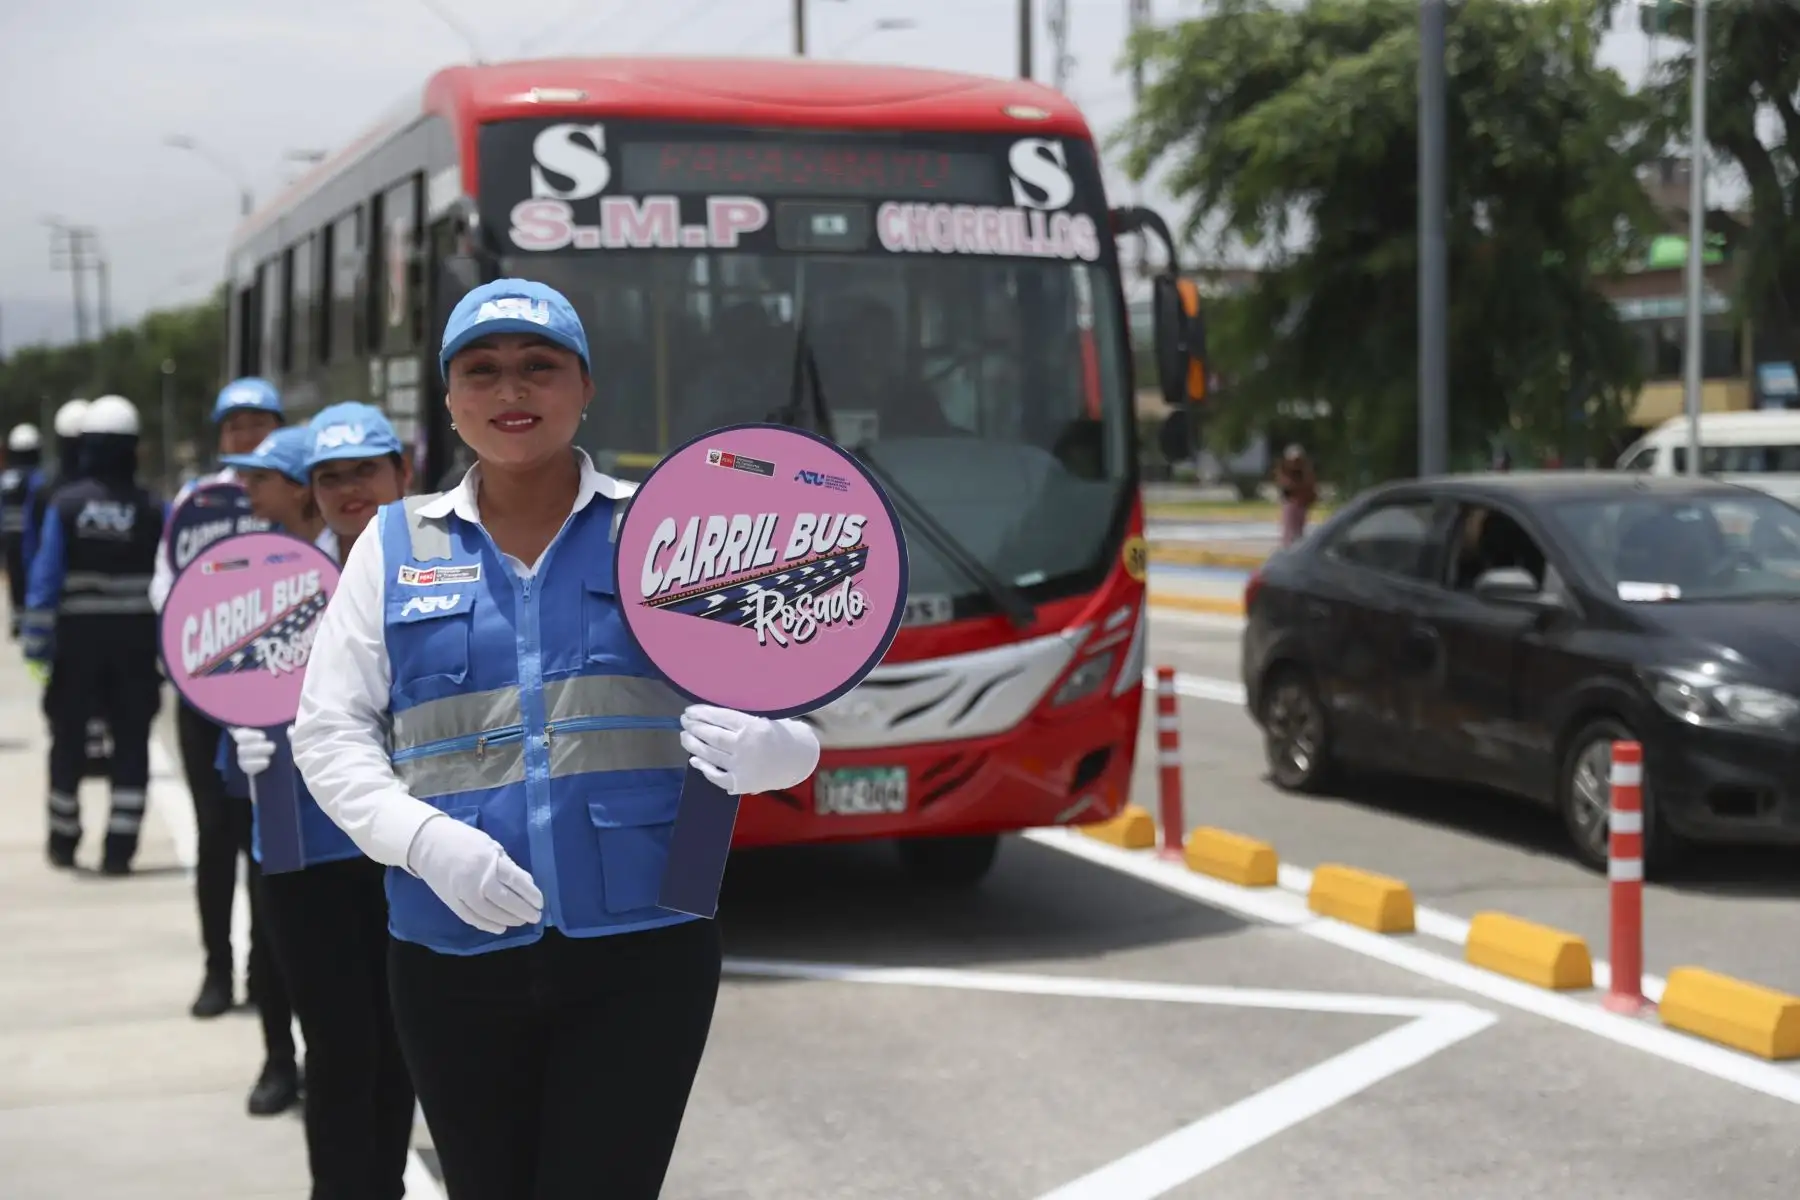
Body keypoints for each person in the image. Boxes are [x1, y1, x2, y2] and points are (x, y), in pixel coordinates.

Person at [291, 279, 823, 1200]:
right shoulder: (391, 545)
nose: (512, 392)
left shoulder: (666, 531)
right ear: (450, 401)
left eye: (540, 368)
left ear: (585, 388)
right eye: (483, 371)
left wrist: (783, 753)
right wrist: (422, 841)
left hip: (645, 952)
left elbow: (789, 691)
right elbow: (330, 734)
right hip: (449, 948)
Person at [220, 419, 417, 1186]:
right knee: (339, 1046)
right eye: (331, 477)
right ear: (311, 490)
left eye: (365, 471)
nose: (350, 491)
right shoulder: (276, 585)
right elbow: (230, 714)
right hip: (305, 852)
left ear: (402, 472)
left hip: (406, 847)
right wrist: (243, 749)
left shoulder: (443, 567)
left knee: (401, 1041)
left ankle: (388, 1185)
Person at [149, 376, 285, 1020]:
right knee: (215, 840)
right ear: (220, 436)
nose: (248, 436)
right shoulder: (194, 502)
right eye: (236, 426)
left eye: (260, 422)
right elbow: (165, 591)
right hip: (205, 700)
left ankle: (264, 973)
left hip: (276, 705)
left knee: (268, 844)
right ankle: (216, 971)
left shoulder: (292, 495)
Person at [22, 396, 164, 875]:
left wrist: (37, 646)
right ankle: (120, 847)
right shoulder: (152, 508)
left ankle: (64, 840)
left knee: (68, 741)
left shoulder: (66, 505)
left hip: (77, 647)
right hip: (136, 648)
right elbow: (171, 586)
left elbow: (44, 581)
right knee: (131, 743)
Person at [3, 423, 44, 638]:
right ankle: (29, 617)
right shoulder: (38, 479)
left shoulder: (5, 480)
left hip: (8, 536)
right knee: (30, 576)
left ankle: (17, 619)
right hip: (30, 536)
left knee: (14, 576)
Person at [1273, 443, 1317, 547]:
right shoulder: (1284, 472)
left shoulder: (1305, 472)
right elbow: (1286, 486)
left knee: (1298, 531)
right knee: (1290, 531)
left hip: (1301, 504)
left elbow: (1310, 487)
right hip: (1291, 503)